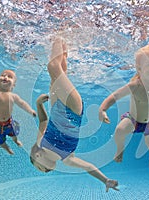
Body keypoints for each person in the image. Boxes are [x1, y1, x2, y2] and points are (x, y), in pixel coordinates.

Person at [30, 37, 119, 192]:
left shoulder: (41, 143)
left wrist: (38, 104)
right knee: (53, 66)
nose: (45, 171)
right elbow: (89, 167)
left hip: (55, 105)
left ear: (37, 157)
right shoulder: (68, 159)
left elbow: (43, 121)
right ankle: (59, 36)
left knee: (59, 69)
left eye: (40, 169)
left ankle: (63, 42)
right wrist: (105, 180)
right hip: (72, 109)